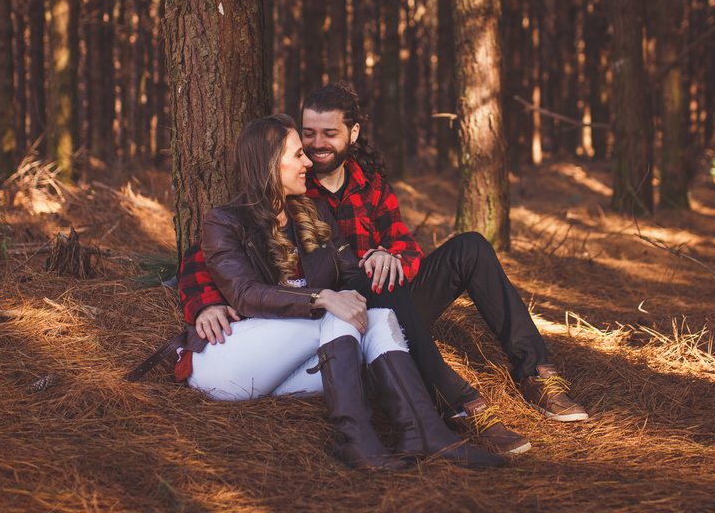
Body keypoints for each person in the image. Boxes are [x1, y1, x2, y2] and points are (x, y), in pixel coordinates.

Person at [184, 85, 588, 457]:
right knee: (371, 284)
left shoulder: (369, 184)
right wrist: (204, 304)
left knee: (470, 247)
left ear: (352, 134)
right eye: (308, 134)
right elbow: (207, 253)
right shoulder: (289, 184)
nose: (316, 145)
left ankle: (536, 373)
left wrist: (388, 257)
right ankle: (457, 404)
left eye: (329, 133)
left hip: (381, 298)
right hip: (339, 313)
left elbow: (405, 247)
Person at [169, 114, 502, 470]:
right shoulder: (224, 221)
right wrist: (321, 297)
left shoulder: (313, 214)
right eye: (298, 155)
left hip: (290, 366)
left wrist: (377, 261)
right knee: (336, 313)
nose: (308, 162)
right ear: (269, 163)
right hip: (228, 360)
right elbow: (245, 293)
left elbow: (352, 276)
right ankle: (355, 440)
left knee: (380, 318)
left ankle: (423, 432)